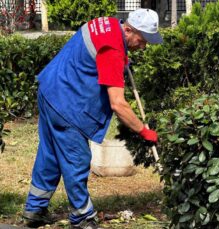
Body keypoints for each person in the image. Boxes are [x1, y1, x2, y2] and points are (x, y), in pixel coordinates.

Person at [22, 8, 163, 229]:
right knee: (76, 160)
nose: (143, 46)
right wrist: (144, 131)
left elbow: (95, 53)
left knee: (49, 155)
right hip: (67, 103)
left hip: (50, 89)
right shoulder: (113, 50)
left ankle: (34, 210)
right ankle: (83, 218)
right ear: (128, 30)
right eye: (142, 40)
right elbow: (118, 104)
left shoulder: (107, 23)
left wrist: (123, 58)